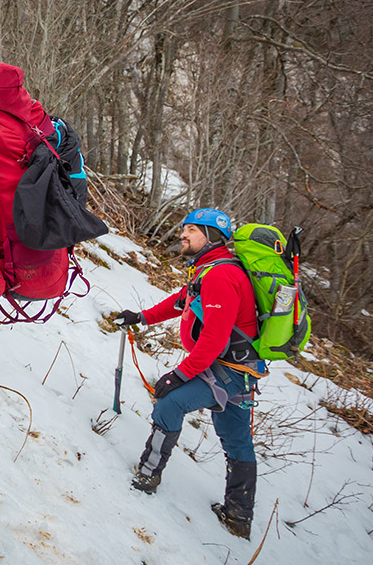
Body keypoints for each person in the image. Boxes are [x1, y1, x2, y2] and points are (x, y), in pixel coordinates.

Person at [111, 208, 265, 539]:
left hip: (227, 371)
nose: (183, 234)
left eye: (192, 230)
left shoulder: (221, 276)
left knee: (170, 403)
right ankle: (238, 518)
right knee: (236, 437)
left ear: (211, 237)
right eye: (185, 228)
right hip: (239, 369)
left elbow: (214, 338)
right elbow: (182, 300)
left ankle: (147, 475)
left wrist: (179, 375)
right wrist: (141, 317)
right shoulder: (210, 269)